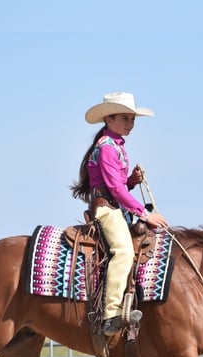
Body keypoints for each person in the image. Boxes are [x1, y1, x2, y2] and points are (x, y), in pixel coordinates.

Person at [71, 92, 169, 336]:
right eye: (125, 118)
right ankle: (111, 313)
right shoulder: (106, 148)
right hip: (106, 209)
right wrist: (145, 215)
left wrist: (131, 182)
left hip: (114, 205)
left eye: (132, 119)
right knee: (123, 251)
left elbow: (117, 185)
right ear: (109, 119)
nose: (130, 123)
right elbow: (114, 189)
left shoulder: (115, 146)